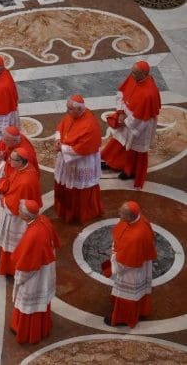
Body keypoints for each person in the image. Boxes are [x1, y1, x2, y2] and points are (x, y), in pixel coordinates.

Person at [101, 61, 161, 189]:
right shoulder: (133, 77)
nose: (131, 75)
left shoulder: (149, 93)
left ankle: (130, 171)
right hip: (126, 117)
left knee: (135, 149)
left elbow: (143, 117)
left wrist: (126, 121)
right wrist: (120, 111)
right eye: (132, 71)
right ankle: (113, 163)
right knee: (119, 140)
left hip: (140, 124)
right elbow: (122, 94)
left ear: (144, 74)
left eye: (135, 73)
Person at [10, 199, 59, 344]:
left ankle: (28, 332)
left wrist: (19, 279)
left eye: (20, 211)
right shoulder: (42, 219)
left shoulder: (33, 235)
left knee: (30, 304)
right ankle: (41, 328)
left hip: (36, 275)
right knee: (41, 300)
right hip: (45, 268)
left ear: (26, 216)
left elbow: (28, 266)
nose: (18, 212)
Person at [53, 94, 104, 224]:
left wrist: (62, 148)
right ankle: (64, 210)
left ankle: (77, 214)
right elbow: (61, 127)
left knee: (79, 189)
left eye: (69, 109)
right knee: (64, 184)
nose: (66, 111)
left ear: (80, 109)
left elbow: (82, 149)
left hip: (81, 161)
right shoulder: (72, 115)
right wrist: (58, 140)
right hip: (67, 157)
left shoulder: (90, 125)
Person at [107, 201, 157, 328]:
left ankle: (122, 318)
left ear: (130, 217)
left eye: (122, 213)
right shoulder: (140, 220)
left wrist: (112, 261)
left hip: (131, 270)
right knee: (138, 293)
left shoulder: (135, 238)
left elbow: (124, 263)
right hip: (139, 263)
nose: (118, 212)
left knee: (126, 296)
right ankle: (140, 311)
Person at [0, 147, 41, 276]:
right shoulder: (24, 168)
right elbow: (12, 181)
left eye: (12, 159)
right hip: (17, 211)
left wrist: (2, 198)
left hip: (17, 218)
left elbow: (14, 205)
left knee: (12, 244)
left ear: (21, 161)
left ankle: (10, 268)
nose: (9, 161)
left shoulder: (25, 182)